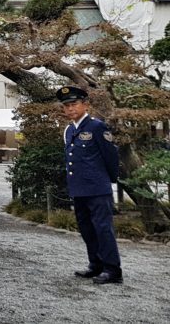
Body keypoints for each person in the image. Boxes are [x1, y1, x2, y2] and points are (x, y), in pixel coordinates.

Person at [57, 86, 122, 284]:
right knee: (86, 228)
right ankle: (96, 265)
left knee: (103, 228)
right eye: (66, 106)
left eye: (74, 104)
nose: (70, 109)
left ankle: (113, 270)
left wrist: (108, 181)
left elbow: (111, 157)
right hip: (79, 188)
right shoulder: (69, 129)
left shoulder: (97, 126)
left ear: (85, 104)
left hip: (97, 188)